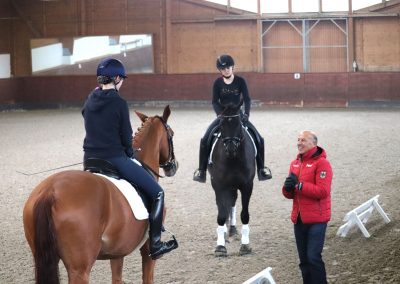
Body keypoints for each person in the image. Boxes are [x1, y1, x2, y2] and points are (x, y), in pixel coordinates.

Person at [82, 58, 178, 260]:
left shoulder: (90, 98)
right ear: (116, 78)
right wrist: (127, 152)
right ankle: (157, 244)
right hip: (115, 159)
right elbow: (127, 138)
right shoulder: (118, 102)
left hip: (90, 160)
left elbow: (88, 120)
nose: (122, 82)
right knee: (158, 193)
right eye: (122, 79)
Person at [193, 54, 272, 183]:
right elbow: (214, 101)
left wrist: (246, 114)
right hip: (223, 116)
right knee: (205, 138)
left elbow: (247, 99)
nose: (226, 70)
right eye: (223, 69)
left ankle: (261, 169)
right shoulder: (217, 83)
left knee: (259, 138)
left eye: (228, 67)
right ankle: (201, 171)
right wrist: (219, 114)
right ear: (220, 70)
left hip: (238, 116)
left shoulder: (240, 81)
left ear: (232, 67)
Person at [282, 130, 333, 284]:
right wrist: (287, 188)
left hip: (317, 220)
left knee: (313, 258)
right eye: (298, 139)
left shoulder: (323, 163)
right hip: (299, 219)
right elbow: (290, 195)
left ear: (313, 143)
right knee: (303, 260)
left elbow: (323, 192)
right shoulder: (295, 163)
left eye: (303, 140)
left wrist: (299, 185)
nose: (299, 143)